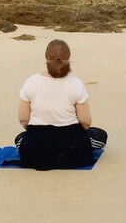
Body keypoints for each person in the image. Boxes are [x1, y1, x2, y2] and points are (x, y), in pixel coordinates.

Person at [16, 39, 108, 170]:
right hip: (72, 149)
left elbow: (23, 119)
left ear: (46, 58)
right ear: (68, 58)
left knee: (20, 139)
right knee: (100, 135)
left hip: (37, 151)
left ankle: (47, 152)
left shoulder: (31, 82)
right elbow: (85, 122)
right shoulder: (76, 83)